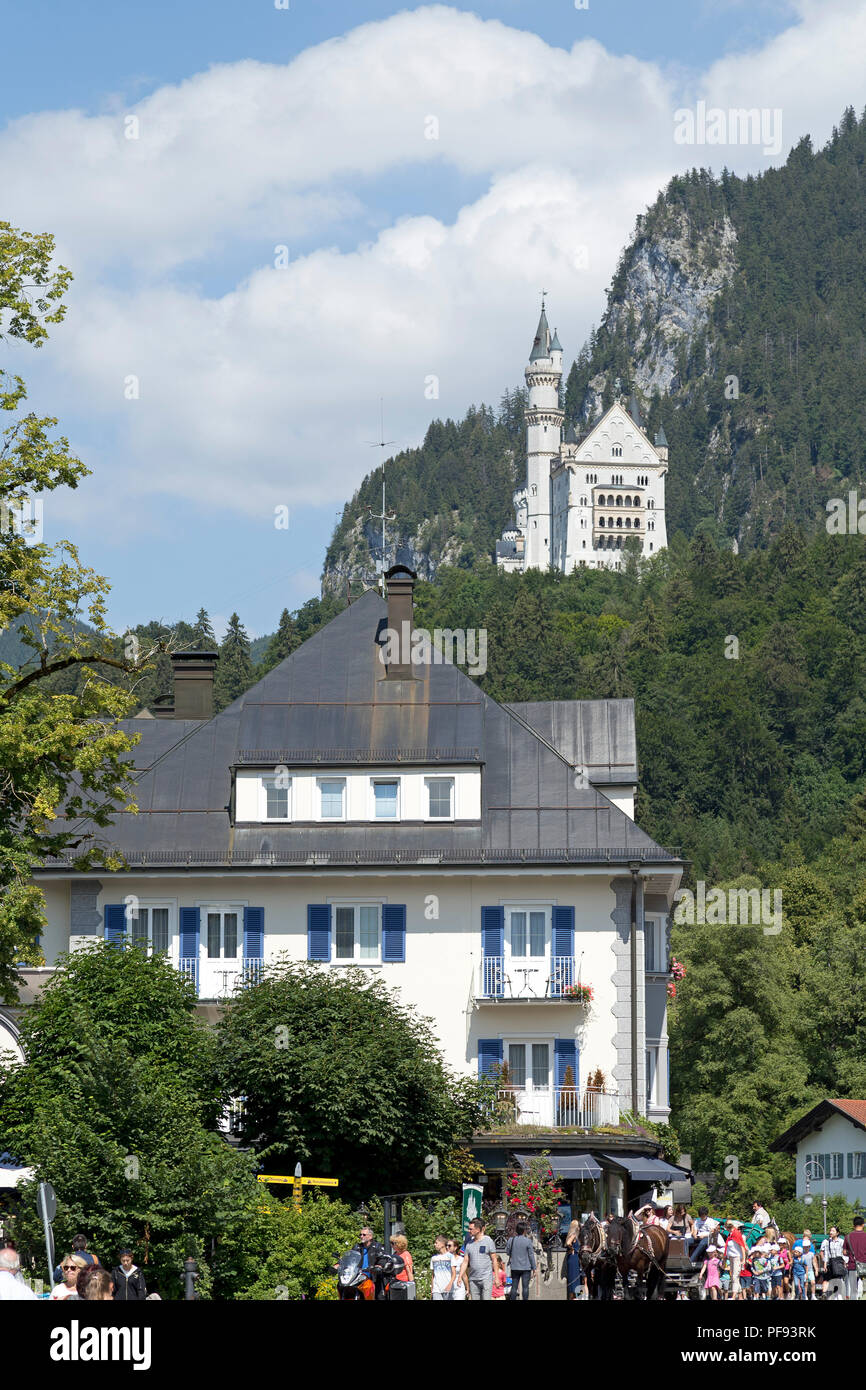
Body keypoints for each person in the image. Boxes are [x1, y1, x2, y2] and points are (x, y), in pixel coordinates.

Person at [459, 1218, 501, 1301]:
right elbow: (465, 1262)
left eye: (471, 1229)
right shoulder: (469, 1244)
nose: (469, 1231)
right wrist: (460, 1276)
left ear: (478, 1229)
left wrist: (496, 1277)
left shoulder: (488, 1241)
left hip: (486, 1278)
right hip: (473, 1279)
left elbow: (494, 1260)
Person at [505, 1221, 536, 1301]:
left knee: (514, 1287)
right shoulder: (528, 1241)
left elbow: (508, 1252)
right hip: (526, 1267)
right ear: (524, 1231)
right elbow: (531, 1255)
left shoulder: (511, 1240)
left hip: (514, 1267)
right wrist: (534, 1268)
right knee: (525, 1287)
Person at [819, 1226, 847, 1300]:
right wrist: (825, 1264)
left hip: (839, 1262)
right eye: (830, 1230)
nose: (831, 1232)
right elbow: (826, 1254)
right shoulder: (827, 1241)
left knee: (839, 1280)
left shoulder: (841, 1241)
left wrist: (845, 1262)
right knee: (830, 1280)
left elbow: (844, 1253)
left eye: (833, 1231)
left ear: (837, 1233)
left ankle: (839, 1296)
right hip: (830, 1263)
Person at [722, 1220, 746, 1300]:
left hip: (737, 1258)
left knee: (735, 1277)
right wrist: (724, 1259)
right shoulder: (730, 1235)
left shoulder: (736, 1233)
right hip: (731, 1258)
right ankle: (740, 1296)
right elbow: (727, 1248)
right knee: (733, 1277)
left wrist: (743, 1258)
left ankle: (733, 1296)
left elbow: (742, 1246)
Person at [843, 1215, 866, 1301]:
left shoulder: (848, 1237)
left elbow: (844, 1252)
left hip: (852, 1266)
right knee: (865, 1290)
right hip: (865, 1266)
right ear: (863, 1224)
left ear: (853, 1225)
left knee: (853, 1290)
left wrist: (851, 1252)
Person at [564, 1218, 583, 1301]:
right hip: (574, 1258)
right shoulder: (574, 1235)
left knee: (575, 1279)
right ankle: (577, 1297)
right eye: (578, 1226)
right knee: (575, 1279)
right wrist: (572, 1249)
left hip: (573, 1258)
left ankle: (575, 1297)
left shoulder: (573, 1235)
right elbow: (568, 1242)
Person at [431, 1235, 454, 1301]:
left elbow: (454, 1273)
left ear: (442, 1244)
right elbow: (433, 1275)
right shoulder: (434, 1258)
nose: (434, 1244)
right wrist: (432, 1289)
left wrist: (450, 1284)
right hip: (436, 1289)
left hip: (448, 1288)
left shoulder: (450, 1257)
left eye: (436, 1243)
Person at [801, 1231, 817, 1300]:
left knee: (813, 1282)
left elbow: (814, 1262)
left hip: (810, 1270)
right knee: (806, 1284)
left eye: (807, 1247)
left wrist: (816, 1269)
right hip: (804, 1271)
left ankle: (813, 1295)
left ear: (809, 1247)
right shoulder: (802, 1255)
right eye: (805, 1247)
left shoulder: (811, 1254)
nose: (806, 1248)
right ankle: (806, 1296)